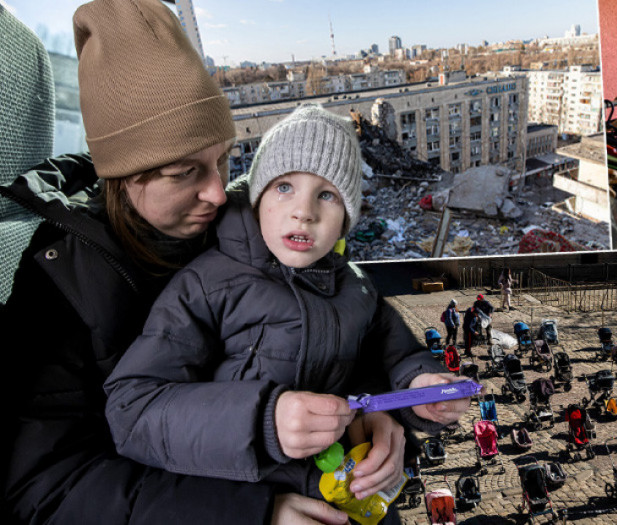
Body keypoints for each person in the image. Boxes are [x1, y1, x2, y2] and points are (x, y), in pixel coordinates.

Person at [0, 1, 408, 523]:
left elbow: (335, 327)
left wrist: (375, 411)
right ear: (124, 179)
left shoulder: (263, 224)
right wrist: (250, 512)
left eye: (223, 159)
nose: (219, 191)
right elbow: (47, 484)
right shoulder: (61, 283)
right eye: (184, 171)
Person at [103, 105, 468, 513]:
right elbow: (132, 412)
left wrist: (418, 395)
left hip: (349, 500)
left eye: (327, 195)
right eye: (283, 187)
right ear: (257, 196)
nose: (304, 211)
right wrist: (261, 423)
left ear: (347, 217)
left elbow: (397, 356)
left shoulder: (358, 287)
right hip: (248, 502)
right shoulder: (205, 285)